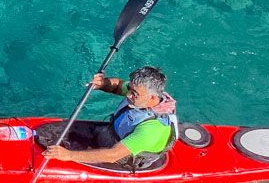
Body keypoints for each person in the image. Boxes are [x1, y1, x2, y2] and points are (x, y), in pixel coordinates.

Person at [37, 66, 177, 170]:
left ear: (152, 98)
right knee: (49, 134)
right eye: (130, 89)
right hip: (111, 135)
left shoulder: (153, 129)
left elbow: (112, 155)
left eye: (134, 93)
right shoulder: (141, 93)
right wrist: (103, 84)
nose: (128, 94)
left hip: (121, 158)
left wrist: (69, 155)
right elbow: (117, 85)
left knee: (69, 153)